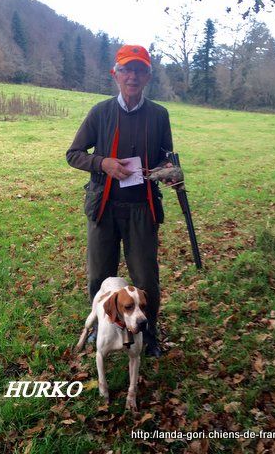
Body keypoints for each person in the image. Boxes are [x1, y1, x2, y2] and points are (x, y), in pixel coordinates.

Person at [66, 45, 173, 357]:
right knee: (100, 276)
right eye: (126, 69)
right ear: (115, 74)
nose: (132, 76)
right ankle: (102, 327)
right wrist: (102, 164)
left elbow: (167, 158)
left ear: (148, 76)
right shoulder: (101, 113)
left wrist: (169, 171)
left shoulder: (159, 115)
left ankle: (148, 333)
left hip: (143, 208)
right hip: (105, 207)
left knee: (145, 278)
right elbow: (73, 155)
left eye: (139, 70)